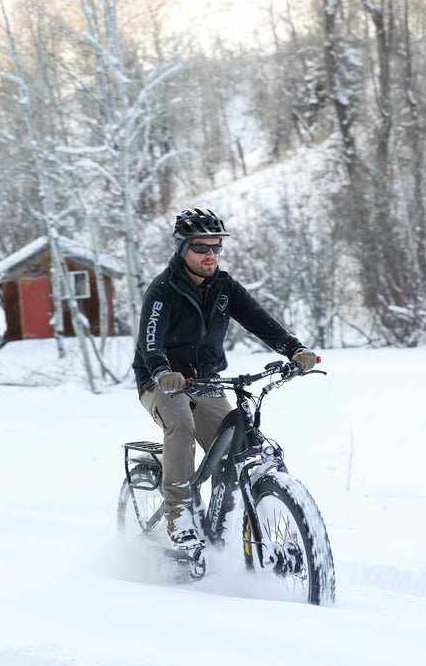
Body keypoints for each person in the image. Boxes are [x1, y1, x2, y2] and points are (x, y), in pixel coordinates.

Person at [132, 207, 318, 547]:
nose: (210, 254)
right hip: (161, 381)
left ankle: (230, 525)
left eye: (216, 246)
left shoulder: (224, 287)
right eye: (201, 247)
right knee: (182, 426)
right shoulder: (163, 290)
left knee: (235, 448)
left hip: (206, 381)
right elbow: (150, 340)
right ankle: (179, 514)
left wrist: (293, 349)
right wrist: (162, 370)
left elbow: (260, 321)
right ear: (181, 248)